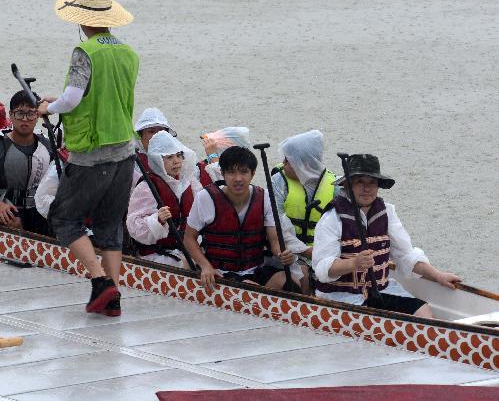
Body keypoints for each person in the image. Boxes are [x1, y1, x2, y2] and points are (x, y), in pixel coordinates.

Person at [38, 0, 139, 317]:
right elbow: (104, 97)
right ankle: (114, 297)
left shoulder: (86, 52)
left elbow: (73, 98)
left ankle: (99, 282)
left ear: (82, 20)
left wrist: (48, 109)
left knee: (64, 218)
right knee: (110, 226)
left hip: (91, 154)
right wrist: (61, 101)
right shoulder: (128, 54)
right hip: (124, 151)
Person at [313, 154, 461, 317]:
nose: (366, 188)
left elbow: (406, 256)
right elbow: (321, 268)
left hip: (380, 290)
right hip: (340, 298)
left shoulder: (387, 213)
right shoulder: (332, 218)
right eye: (360, 181)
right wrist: (354, 263)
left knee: (422, 311)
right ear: (348, 185)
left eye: (372, 182)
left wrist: (438, 275)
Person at [183, 146, 304, 291]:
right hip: (220, 272)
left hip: (256, 269)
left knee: (291, 283)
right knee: (250, 287)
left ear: (252, 174)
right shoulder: (205, 197)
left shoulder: (265, 197)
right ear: (222, 173)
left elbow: (275, 242)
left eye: (244, 172)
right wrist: (205, 266)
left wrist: (283, 255)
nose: (238, 179)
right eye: (231, 172)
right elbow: (189, 238)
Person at [0, 91, 53, 235]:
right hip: (3, 208)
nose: (25, 119)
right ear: (10, 115)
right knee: (13, 222)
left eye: (31, 114)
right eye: (19, 113)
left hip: (36, 209)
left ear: (38, 116)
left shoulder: (47, 145)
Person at [127, 131, 199, 269]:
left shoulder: (190, 184)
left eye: (179, 155)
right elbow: (134, 226)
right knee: (186, 266)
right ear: (157, 161)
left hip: (185, 248)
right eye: (169, 157)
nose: (176, 161)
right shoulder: (146, 187)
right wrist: (157, 220)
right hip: (156, 253)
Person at [271, 130, 339, 250]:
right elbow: (277, 226)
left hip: (324, 252)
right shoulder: (278, 182)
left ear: (305, 164)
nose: (282, 163)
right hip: (288, 250)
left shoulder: (336, 185)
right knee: (301, 269)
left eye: (288, 160)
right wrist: (305, 252)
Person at [131, 107, 175, 184]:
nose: (157, 135)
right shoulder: (131, 162)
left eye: (161, 131)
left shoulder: (176, 157)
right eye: (151, 131)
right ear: (140, 135)